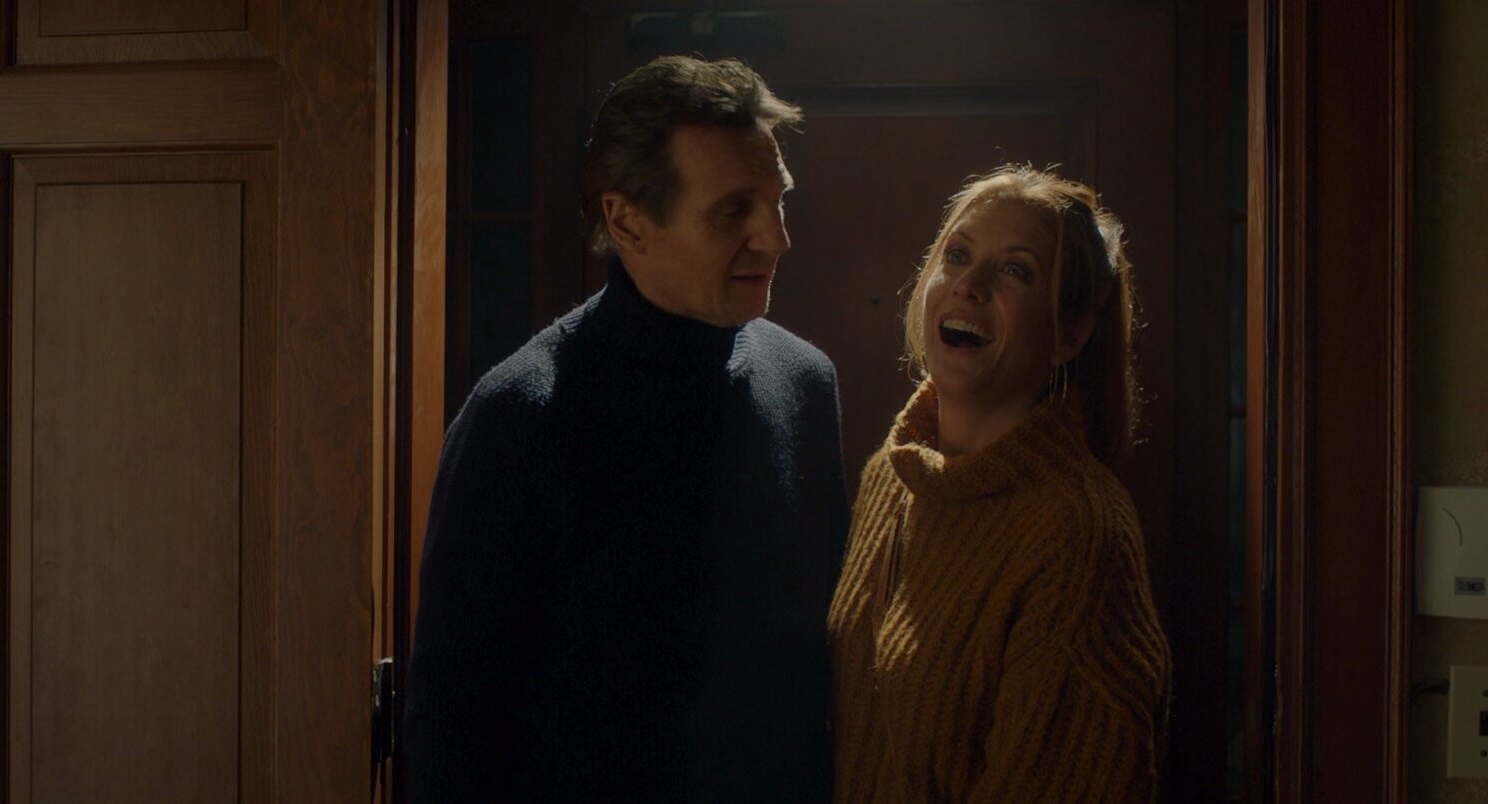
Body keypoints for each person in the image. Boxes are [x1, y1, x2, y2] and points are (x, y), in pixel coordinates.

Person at [403, 56, 850, 802]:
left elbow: (827, 670)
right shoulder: (521, 417)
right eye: (733, 211)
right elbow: (453, 728)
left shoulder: (805, 383)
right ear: (627, 220)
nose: (774, 238)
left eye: (778, 201)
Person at [827, 165, 1171, 802]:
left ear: (1069, 333)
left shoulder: (1076, 532)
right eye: (957, 255)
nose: (970, 284)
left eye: (1016, 269)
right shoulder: (891, 477)